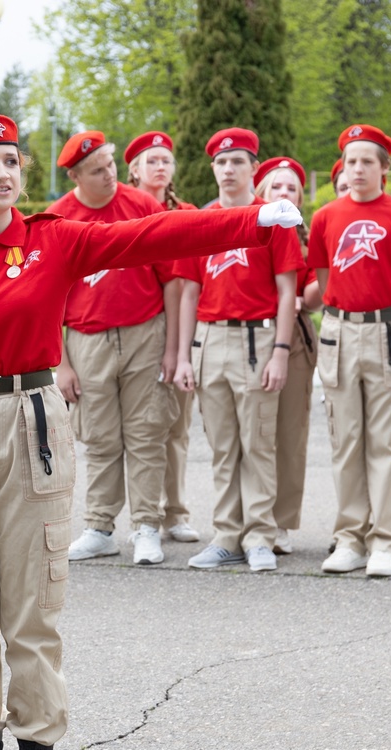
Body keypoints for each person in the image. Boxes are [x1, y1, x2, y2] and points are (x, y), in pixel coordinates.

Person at [0, 113, 301, 750]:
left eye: (11, 161)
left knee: (31, 610)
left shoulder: (53, 240)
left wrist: (253, 222)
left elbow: (155, 236)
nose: (3, 173)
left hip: (32, 420)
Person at [172, 130, 304, 571]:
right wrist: (185, 355)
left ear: (254, 168)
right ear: (213, 168)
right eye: (221, 162)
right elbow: (189, 292)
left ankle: (260, 535)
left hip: (256, 340)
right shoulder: (200, 221)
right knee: (223, 446)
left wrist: (281, 351)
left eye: (237, 162)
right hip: (210, 339)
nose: (228, 170)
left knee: (258, 443)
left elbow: (287, 291)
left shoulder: (273, 219)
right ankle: (227, 534)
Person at [49, 130, 180, 566]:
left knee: (147, 434)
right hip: (86, 341)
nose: (109, 175)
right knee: (100, 438)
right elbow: (48, 297)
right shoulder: (58, 219)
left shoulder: (142, 205)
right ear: (74, 176)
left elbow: (172, 279)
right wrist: (62, 364)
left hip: (145, 333)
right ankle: (99, 527)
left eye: (110, 165)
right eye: (97, 170)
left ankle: (146, 527)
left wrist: (171, 349)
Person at [308, 125, 391, 577]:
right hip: (341, 332)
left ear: (384, 168)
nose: (358, 169)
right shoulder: (325, 217)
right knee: (346, 441)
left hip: (387, 330)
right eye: (351, 161)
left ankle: (384, 540)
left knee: (387, 443)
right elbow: (324, 276)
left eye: (367, 161)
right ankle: (349, 539)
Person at [125, 130, 200, 545]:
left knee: (175, 427)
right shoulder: (123, 213)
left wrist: (179, 349)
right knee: (139, 433)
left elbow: (190, 283)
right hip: (135, 333)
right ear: (134, 170)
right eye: (150, 160)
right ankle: (144, 517)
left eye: (165, 160)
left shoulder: (185, 214)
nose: (159, 167)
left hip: (177, 333)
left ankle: (176, 512)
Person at [255, 156, 318, 556]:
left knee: (289, 434)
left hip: (293, 338)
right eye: (276, 187)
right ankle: (249, 518)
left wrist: (302, 296)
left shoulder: (306, 240)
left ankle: (280, 522)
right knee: (252, 435)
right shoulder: (248, 231)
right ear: (260, 193)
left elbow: (313, 293)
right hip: (249, 335)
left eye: (291, 188)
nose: (284, 193)